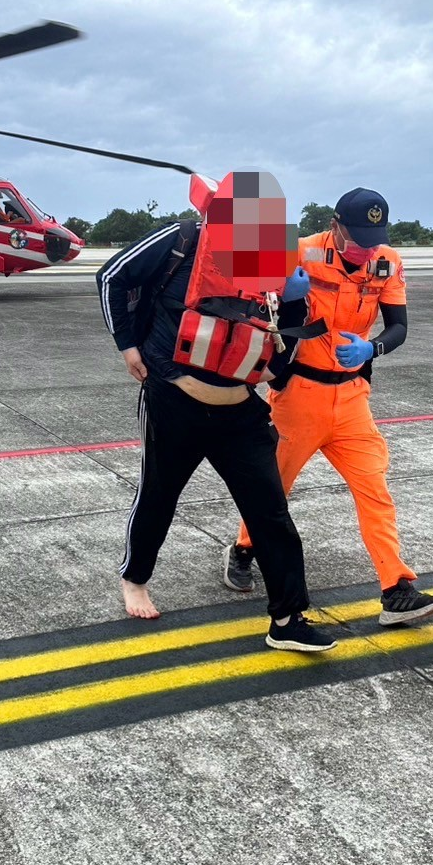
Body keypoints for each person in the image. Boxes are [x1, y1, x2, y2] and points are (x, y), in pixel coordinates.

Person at [98, 216, 337, 653]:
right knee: (158, 494)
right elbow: (112, 275)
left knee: (270, 511)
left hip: (238, 412)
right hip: (174, 400)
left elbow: (285, 335)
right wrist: (126, 345)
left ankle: (287, 619)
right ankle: (135, 580)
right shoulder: (183, 240)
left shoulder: (273, 259)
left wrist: (295, 302)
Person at [224, 188, 433, 626]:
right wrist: (288, 296)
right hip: (299, 397)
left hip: (351, 398)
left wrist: (373, 348)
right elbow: (250, 300)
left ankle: (396, 589)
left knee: (375, 489)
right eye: (360, 239)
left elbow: (399, 325)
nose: (368, 249)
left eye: (375, 239)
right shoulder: (299, 252)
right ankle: (244, 548)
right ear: (336, 226)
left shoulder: (387, 262)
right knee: (273, 488)